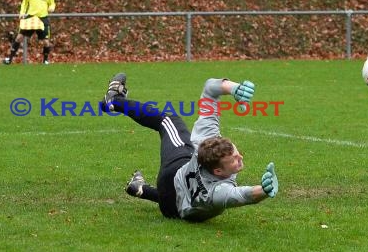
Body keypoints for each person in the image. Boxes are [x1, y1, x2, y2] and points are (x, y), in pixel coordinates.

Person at [100, 73, 278, 222]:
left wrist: (233, 88)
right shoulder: (218, 192)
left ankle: (116, 100)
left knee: (168, 121)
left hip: (171, 185)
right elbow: (245, 195)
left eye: (236, 154)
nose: (240, 158)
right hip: (173, 210)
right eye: (234, 160)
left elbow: (210, 88)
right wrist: (265, 190)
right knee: (169, 122)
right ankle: (114, 99)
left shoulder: (206, 139)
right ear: (217, 171)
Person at [3, 0, 56, 65]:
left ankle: (45, 60)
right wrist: (22, 13)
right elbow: (24, 3)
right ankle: (9, 59)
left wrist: (52, 8)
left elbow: (52, 3)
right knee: (19, 37)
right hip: (31, 18)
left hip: (43, 18)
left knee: (46, 42)